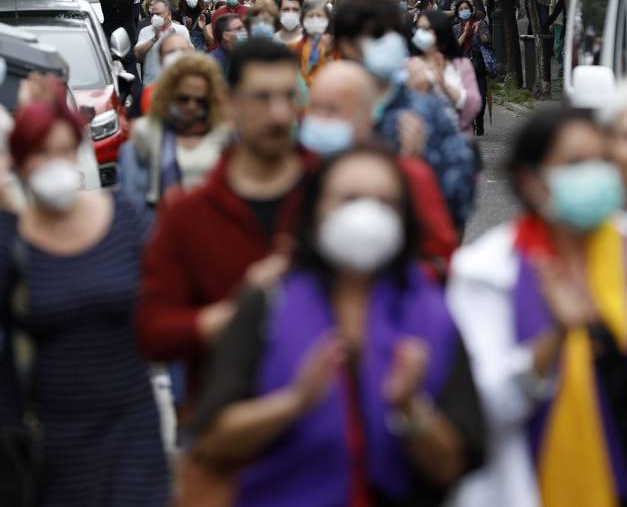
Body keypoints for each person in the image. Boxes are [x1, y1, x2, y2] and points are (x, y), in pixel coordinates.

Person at [189, 147, 484, 506]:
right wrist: (294, 402)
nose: (366, 216)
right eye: (349, 199)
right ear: (315, 212)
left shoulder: (433, 312)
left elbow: (453, 466)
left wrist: (411, 409)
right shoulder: (269, 303)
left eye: (385, 203)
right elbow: (212, 441)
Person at [448, 106, 627, 507]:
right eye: (576, 163)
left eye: (603, 160)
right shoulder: (486, 272)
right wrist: (553, 340)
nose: (597, 174)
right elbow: (480, 411)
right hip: (533, 486)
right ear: (531, 181)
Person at [1, 96, 169, 506]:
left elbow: (163, 301)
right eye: (42, 153)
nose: (55, 165)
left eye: (64, 151)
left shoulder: (123, 219)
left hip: (132, 426)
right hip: (56, 440)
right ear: (19, 163)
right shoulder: (11, 243)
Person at [136, 40, 319, 404]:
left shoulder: (331, 193)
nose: (279, 114)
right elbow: (152, 330)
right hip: (226, 420)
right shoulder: (189, 215)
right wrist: (234, 316)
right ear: (231, 104)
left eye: (288, 97)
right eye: (262, 98)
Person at [300, 61, 457, 275]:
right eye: (314, 108)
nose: (321, 120)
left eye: (333, 110)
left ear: (366, 116)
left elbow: (441, 257)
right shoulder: (298, 170)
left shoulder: (407, 174)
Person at [333, 0, 475, 229]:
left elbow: (459, 196)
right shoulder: (330, 108)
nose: (388, 42)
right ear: (347, 45)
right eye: (377, 34)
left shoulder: (424, 109)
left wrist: (415, 171)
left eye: (394, 33)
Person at [118, 53, 230, 210]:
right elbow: (131, 192)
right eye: (184, 99)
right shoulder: (146, 130)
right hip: (159, 215)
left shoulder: (222, 134)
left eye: (200, 100)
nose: (191, 106)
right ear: (169, 94)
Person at [409, 10, 482, 134]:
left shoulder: (461, 65)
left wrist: (443, 83)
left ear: (440, 31)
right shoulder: (409, 65)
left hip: (456, 135)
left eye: (426, 29)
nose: (421, 33)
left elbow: (473, 106)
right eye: (419, 29)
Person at [453, 0, 491, 137]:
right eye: (461, 9)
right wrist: (464, 33)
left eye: (466, 8)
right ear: (458, 12)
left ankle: (479, 120)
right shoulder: (455, 28)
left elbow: (488, 41)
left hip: (478, 66)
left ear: (471, 10)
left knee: (481, 97)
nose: (464, 11)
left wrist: (479, 32)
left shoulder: (480, 23)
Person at [134, 0, 190, 85]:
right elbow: (137, 52)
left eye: (158, 14)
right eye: (152, 14)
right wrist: (154, 39)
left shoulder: (181, 30)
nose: (154, 17)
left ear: (168, 14)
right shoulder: (145, 31)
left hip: (175, 84)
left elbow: (190, 54)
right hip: (152, 85)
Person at [296, 0, 334, 86]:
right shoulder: (297, 47)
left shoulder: (334, 44)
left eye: (319, 16)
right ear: (303, 21)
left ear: (327, 19)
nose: (315, 19)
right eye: (310, 16)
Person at [548, 0, 565, 77]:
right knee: (559, 46)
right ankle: (561, 66)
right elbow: (552, 6)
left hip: (568, 23)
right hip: (558, 22)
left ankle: (565, 67)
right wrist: (551, 22)